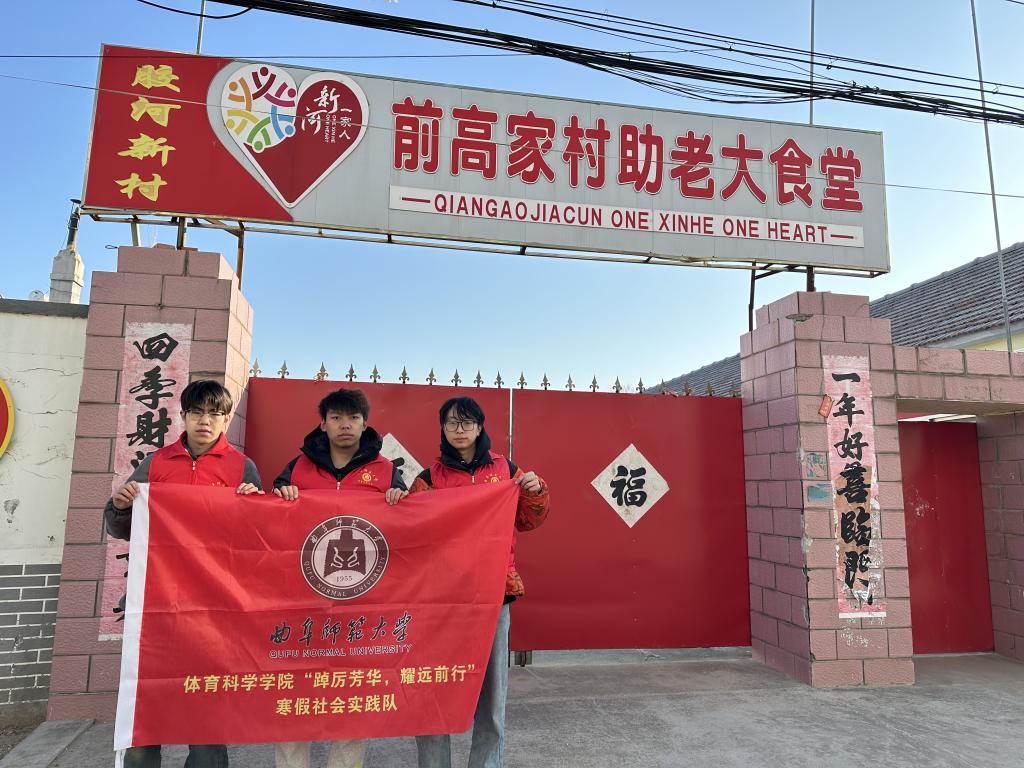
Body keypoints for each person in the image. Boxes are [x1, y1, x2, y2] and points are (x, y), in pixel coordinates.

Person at [105, 379, 264, 768]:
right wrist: (121, 506)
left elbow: (257, 540)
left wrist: (256, 507)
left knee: (206, 716)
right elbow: (118, 525)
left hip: (213, 611)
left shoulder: (242, 467)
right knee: (145, 712)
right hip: (155, 607)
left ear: (226, 419)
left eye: (214, 413)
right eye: (197, 412)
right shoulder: (156, 463)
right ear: (184, 416)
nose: (204, 421)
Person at [272, 387, 407, 768]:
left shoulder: (386, 470)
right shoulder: (297, 468)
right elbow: (270, 523)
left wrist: (400, 501)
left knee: (354, 696)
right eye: (336, 418)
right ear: (323, 424)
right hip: (302, 600)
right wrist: (281, 495)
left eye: (353, 418)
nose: (344, 425)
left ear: (364, 424)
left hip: (363, 602)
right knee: (295, 693)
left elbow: (410, 530)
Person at [411, 396, 549, 768]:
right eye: (451, 423)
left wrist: (536, 491)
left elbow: (528, 520)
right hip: (443, 602)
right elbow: (414, 532)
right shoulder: (428, 479)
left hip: (493, 597)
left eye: (466, 422)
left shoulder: (507, 471)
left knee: (492, 699)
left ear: (480, 426)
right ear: (442, 428)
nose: (459, 430)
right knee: (433, 690)